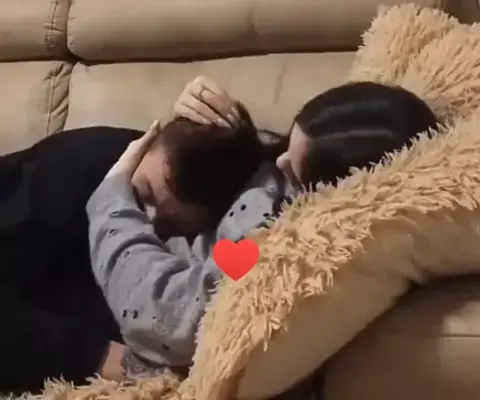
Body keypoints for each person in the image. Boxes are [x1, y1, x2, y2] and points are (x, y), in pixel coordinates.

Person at [87, 76, 440, 381]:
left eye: (294, 174)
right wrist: (198, 122)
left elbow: (167, 314)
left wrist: (112, 197)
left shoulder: (286, 234)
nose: (279, 162)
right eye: (288, 143)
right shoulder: (284, 165)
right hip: (109, 192)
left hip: (108, 236)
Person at [0, 109, 266, 395]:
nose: (143, 223)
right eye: (142, 194)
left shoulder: (222, 226)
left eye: (171, 226)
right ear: (143, 149)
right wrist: (100, 357)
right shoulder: (69, 173)